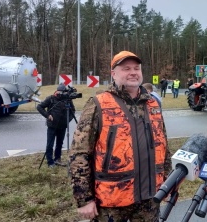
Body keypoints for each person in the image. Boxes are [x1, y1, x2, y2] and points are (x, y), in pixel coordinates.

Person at [69, 51, 172, 222]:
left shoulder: (152, 104)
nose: (133, 72)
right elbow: (79, 154)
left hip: (149, 199)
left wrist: (168, 184)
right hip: (112, 202)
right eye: (126, 68)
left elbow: (163, 146)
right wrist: (84, 199)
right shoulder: (98, 104)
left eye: (136, 68)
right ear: (114, 74)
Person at [37, 83, 75, 168]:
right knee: (50, 144)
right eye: (59, 92)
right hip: (52, 125)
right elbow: (39, 107)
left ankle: (57, 159)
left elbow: (73, 110)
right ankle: (50, 162)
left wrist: (67, 120)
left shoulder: (67, 99)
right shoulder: (50, 99)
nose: (61, 94)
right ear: (57, 92)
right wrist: (47, 115)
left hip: (62, 126)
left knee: (59, 143)